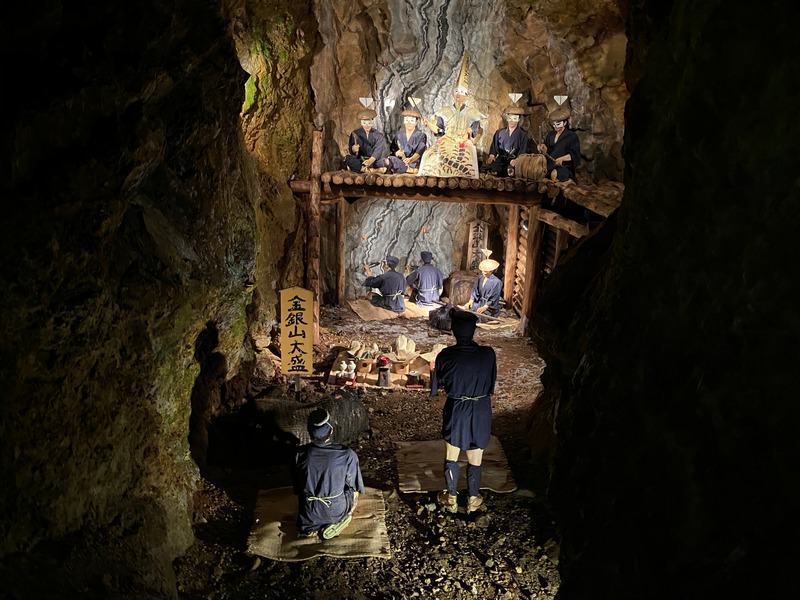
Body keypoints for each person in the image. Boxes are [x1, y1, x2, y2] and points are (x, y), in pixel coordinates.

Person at [430, 309, 497, 515]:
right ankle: (473, 499)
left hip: (457, 407)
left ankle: (451, 498)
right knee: (476, 455)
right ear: (474, 330)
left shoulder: (446, 355)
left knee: (452, 454)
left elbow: (438, 384)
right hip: (481, 408)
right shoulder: (488, 354)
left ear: (453, 330)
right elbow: (491, 383)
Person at [294, 408, 365, 539]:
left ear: (309, 431)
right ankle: (342, 519)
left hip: (309, 514)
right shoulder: (347, 455)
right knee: (352, 490)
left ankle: (310, 528)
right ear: (331, 430)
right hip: (336, 512)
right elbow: (355, 487)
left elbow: (297, 489)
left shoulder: (299, 454)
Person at [418, 51, 485, 179]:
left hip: (462, 140)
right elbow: (439, 130)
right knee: (433, 154)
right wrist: (429, 125)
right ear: (453, 95)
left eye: (462, 93)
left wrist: (468, 131)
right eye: (457, 93)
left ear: (466, 96)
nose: (459, 96)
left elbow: (474, 129)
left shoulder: (472, 112)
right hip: (447, 139)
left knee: (467, 153)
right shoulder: (445, 111)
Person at [375, 108, 427, 174]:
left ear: (416, 122)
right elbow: (393, 149)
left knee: (391, 160)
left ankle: (407, 169)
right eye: (406, 120)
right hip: (399, 161)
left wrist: (410, 159)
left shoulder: (421, 136)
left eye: (412, 120)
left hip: (413, 163)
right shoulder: (399, 135)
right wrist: (397, 153)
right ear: (404, 121)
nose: (409, 123)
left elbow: (420, 151)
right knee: (385, 160)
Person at [537, 106, 580, 182]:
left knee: (555, 173)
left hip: (564, 166)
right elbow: (546, 148)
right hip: (550, 164)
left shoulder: (572, 136)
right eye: (554, 124)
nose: (555, 127)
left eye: (558, 124)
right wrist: (543, 147)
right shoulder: (551, 134)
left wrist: (562, 159)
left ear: (564, 123)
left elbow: (575, 155)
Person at [485, 106, 529, 177]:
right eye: (509, 118)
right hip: (501, 159)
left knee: (510, 172)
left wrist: (517, 160)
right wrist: (492, 156)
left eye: (514, 118)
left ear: (518, 119)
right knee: (492, 169)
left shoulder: (523, 134)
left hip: (513, 161)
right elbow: (494, 147)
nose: (511, 121)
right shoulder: (499, 132)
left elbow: (523, 151)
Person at [343, 108, 387, 173]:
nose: (366, 125)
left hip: (373, 161)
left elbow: (378, 151)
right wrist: (353, 149)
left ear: (372, 122)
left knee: (386, 161)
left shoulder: (378, 135)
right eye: (364, 123)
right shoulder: (355, 133)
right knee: (348, 158)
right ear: (361, 123)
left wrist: (370, 161)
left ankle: (361, 169)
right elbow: (351, 151)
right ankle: (371, 170)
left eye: (369, 123)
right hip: (360, 160)